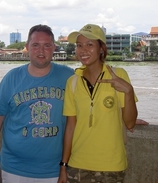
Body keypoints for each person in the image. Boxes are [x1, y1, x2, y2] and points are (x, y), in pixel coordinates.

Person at [0, 24, 74, 182]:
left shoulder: (69, 77)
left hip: (54, 169)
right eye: (35, 45)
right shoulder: (12, 78)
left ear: (54, 48)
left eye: (46, 45)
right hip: (15, 168)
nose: (41, 51)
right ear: (27, 47)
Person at [58, 24, 138, 183]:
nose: (83, 50)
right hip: (77, 165)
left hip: (111, 165)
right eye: (79, 45)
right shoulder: (72, 82)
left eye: (89, 45)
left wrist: (128, 92)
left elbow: (130, 123)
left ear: (101, 48)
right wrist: (63, 166)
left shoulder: (118, 75)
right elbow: (70, 127)